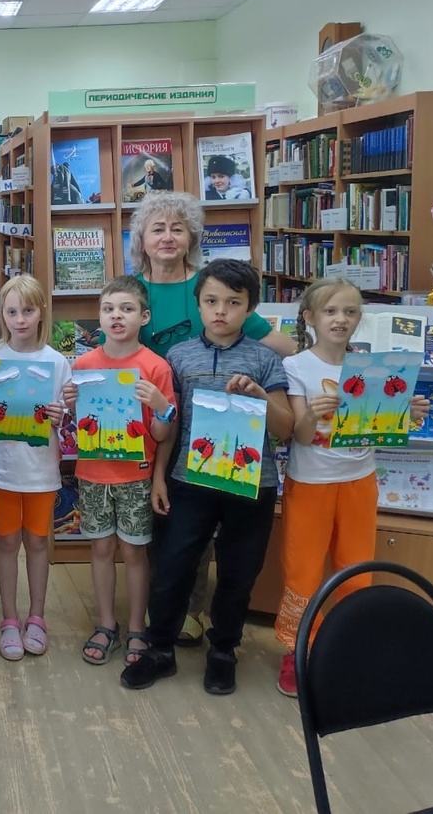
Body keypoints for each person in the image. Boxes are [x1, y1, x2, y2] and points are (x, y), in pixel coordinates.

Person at [126, 191, 294, 644]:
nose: (167, 237)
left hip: (203, 423)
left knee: (193, 520)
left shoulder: (213, 287)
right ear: (141, 238)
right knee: (163, 521)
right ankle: (159, 612)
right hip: (144, 420)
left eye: (177, 228)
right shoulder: (131, 289)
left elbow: (272, 343)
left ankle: (191, 611)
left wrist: (325, 364)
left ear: (192, 237)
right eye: (157, 228)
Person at [273, 277, 429, 697]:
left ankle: (348, 645)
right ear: (310, 318)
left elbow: (378, 426)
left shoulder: (371, 366)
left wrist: (407, 412)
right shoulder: (296, 367)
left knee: (357, 568)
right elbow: (299, 435)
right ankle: (297, 649)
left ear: (360, 319)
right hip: (311, 484)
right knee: (302, 571)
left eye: (350, 311)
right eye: (330, 311)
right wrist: (312, 414)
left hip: (360, 481)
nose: (340, 319)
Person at [62, 276, 176, 667]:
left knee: (134, 551)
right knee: (100, 548)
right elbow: (81, 425)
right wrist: (72, 403)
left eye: (127, 309)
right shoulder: (83, 365)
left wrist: (160, 405)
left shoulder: (156, 366)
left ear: (144, 317)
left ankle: (137, 626)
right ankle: (106, 624)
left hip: (136, 476)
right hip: (93, 473)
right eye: (108, 309)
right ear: (99, 316)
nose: (116, 316)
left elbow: (161, 433)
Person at [0, 274, 69, 661]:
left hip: (42, 471)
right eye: (12, 312)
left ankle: (37, 617)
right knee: (7, 541)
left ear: (41, 311)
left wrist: (61, 416)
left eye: (27, 310)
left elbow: (68, 415)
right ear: (2, 314)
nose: (20, 319)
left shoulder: (57, 362)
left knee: (38, 542)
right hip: (3, 469)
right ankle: (10, 619)